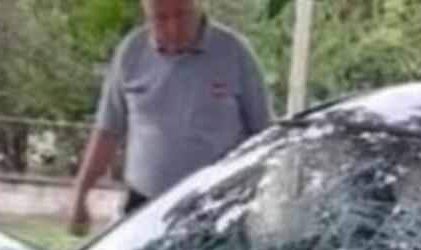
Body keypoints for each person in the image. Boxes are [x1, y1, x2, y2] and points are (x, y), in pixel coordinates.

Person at [68, 0, 271, 235]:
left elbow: (263, 134)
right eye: (161, 18)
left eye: (182, 15)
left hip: (218, 209)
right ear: (146, 14)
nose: (174, 28)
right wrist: (80, 193)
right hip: (144, 207)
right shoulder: (131, 52)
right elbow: (108, 130)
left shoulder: (234, 53)